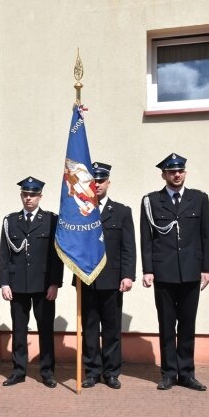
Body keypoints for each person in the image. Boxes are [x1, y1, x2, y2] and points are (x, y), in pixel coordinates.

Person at [140, 153, 209, 391]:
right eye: (172, 172)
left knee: (188, 326)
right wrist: (148, 270)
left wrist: (207, 268)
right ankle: (169, 373)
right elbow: (146, 239)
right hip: (164, 273)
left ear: (185, 173)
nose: (176, 175)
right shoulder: (151, 201)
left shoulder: (199, 199)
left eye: (180, 171)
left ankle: (187, 374)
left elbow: (206, 236)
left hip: (191, 272)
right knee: (167, 325)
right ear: (164, 175)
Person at [0, 177, 63, 388]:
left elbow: (57, 255)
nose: (29, 198)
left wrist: (55, 283)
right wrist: (4, 283)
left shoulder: (52, 220)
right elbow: (4, 255)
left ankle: (47, 372)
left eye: (33, 195)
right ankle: (18, 370)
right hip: (17, 284)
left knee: (45, 328)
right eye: (26, 194)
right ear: (21, 196)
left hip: (44, 285)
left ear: (40, 197)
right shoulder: (10, 221)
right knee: (19, 329)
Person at [77, 163, 136, 389]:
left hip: (112, 280)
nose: (97, 184)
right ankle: (92, 371)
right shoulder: (79, 211)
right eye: (94, 181)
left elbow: (128, 247)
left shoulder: (121, 211)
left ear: (108, 183)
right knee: (90, 329)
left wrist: (128, 275)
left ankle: (111, 372)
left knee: (111, 329)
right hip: (87, 278)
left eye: (101, 181)